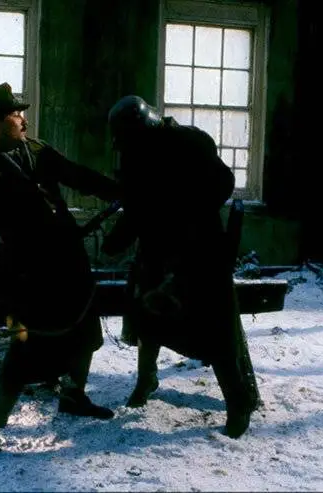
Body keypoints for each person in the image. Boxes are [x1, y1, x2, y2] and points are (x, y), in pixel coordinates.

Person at [0, 82, 120, 474]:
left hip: (70, 268)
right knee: (22, 356)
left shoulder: (37, 151)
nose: (24, 121)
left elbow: (77, 175)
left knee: (85, 332)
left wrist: (118, 190)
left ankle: (74, 397)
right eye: (16, 115)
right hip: (29, 283)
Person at [102, 95, 260, 439]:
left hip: (200, 253)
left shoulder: (191, 142)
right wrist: (116, 240)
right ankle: (146, 379)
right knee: (146, 314)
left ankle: (237, 402)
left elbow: (222, 184)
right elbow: (137, 207)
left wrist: (182, 211)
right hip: (158, 252)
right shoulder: (136, 153)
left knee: (215, 331)